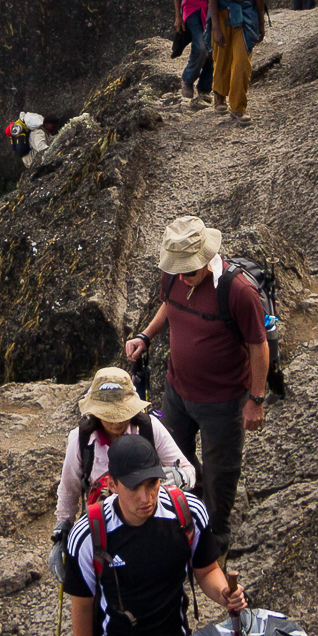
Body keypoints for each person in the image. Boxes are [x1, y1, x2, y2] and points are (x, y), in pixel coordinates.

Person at [123, 216, 267, 540]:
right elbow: (168, 306)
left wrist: (255, 400)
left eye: (190, 270)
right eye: (179, 269)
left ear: (205, 257)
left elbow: (258, 347)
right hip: (177, 392)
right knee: (176, 462)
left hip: (223, 401)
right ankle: (191, 512)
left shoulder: (238, 291)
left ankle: (216, 538)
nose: (184, 277)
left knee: (222, 474)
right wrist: (145, 335)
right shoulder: (173, 277)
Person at [61, 435, 244, 636]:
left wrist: (224, 593)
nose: (145, 498)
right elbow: (82, 606)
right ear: (113, 485)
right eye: (134, 487)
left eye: (152, 483)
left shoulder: (188, 512)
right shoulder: (88, 534)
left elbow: (206, 571)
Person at [54, 368, 196, 530]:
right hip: (102, 522)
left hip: (149, 515)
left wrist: (178, 477)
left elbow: (188, 470)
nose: (116, 422)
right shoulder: (80, 440)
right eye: (108, 415)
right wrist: (62, 529)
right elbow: (68, 490)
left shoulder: (150, 428)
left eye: (122, 414)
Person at [203, 0, 268, 123]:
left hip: (246, 13)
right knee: (221, 57)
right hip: (221, 12)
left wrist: (261, 21)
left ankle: (238, 107)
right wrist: (215, 26)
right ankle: (219, 94)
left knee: (242, 61)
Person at [171, 0, 214, 106]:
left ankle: (204, 89)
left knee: (212, 48)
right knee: (201, 46)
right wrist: (178, 16)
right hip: (193, 5)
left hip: (212, 7)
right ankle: (188, 80)